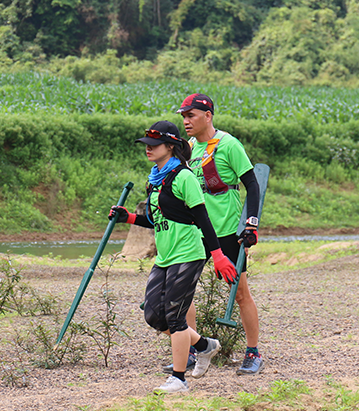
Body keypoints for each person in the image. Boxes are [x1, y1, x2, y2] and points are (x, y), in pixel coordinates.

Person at [109, 120, 237, 394]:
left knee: (176, 319)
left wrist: (218, 256)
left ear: (170, 146)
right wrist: (129, 217)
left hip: (189, 254)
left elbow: (203, 219)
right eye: (146, 145)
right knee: (155, 315)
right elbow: (158, 220)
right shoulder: (156, 179)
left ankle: (179, 379)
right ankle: (204, 346)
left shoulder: (184, 177)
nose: (148, 149)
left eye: (154, 145)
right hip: (166, 256)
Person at [177, 93, 265, 376]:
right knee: (184, 293)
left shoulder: (229, 145)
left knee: (239, 294)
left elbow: (252, 184)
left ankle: (253, 353)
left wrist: (251, 224)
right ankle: (191, 351)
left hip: (226, 231)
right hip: (196, 231)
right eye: (183, 116)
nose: (186, 121)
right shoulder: (188, 148)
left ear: (208, 116)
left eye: (191, 115)